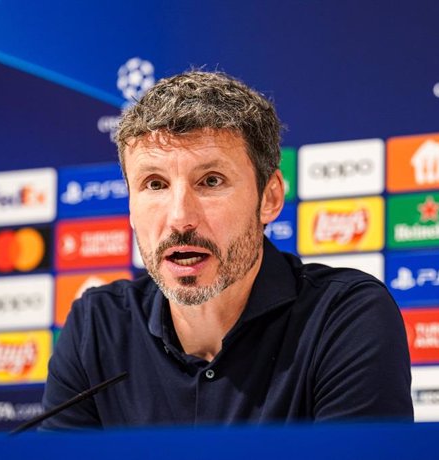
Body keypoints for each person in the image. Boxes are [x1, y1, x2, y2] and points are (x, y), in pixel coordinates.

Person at [41, 71, 413, 429]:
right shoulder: (97, 325)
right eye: (155, 184)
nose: (180, 218)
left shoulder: (344, 317)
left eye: (211, 181)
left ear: (270, 198)